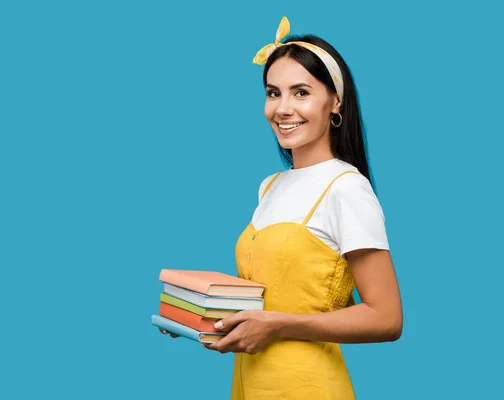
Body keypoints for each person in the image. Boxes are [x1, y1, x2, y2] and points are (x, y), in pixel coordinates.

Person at [162, 16, 403, 399]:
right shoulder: (270, 186)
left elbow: (386, 318)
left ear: (335, 101)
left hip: (306, 385)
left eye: (301, 92)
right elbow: (284, 293)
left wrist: (277, 325)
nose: (283, 108)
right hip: (251, 382)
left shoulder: (346, 188)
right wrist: (197, 312)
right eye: (274, 93)